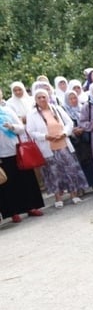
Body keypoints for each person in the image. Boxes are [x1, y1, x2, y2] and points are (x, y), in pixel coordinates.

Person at [25, 89, 90, 208]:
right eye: (39, 98)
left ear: (48, 98)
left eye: (44, 97)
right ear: (35, 100)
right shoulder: (32, 114)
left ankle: (74, 195)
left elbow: (69, 123)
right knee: (53, 172)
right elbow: (30, 131)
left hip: (63, 144)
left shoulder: (57, 109)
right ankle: (58, 198)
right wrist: (45, 136)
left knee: (70, 169)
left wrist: (64, 133)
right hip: (47, 146)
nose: (42, 99)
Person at [0, 90, 44, 223]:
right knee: (7, 184)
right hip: (2, 155)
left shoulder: (7, 110)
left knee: (26, 180)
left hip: (17, 150)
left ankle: (31, 207)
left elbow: (21, 128)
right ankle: (13, 212)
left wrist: (12, 127)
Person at [64, 89, 93, 192]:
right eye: (70, 98)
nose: (73, 100)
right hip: (74, 140)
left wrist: (83, 128)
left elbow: (91, 120)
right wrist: (73, 130)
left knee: (90, 161)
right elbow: (64, 125)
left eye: (75, 97)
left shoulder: (83, 108)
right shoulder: (64, 112)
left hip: (86, 138)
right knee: (78, 163)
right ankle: (82, 187)